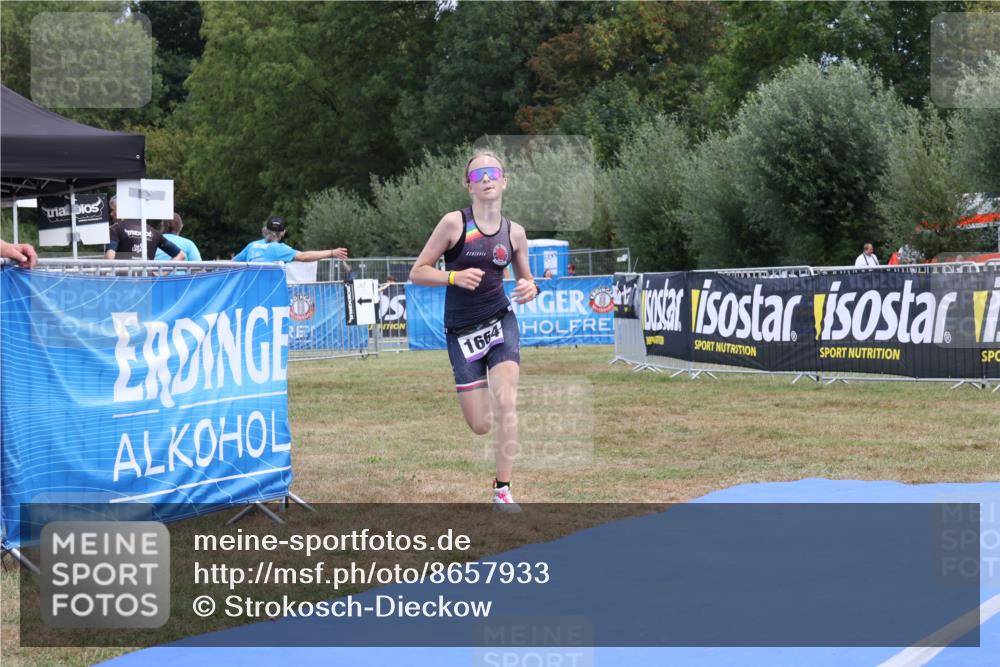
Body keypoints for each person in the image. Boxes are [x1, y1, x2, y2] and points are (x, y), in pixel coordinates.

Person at [409, 150, 540, 511]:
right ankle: (498, 479)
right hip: (461, 332)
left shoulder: (515, 233)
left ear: (504, 181)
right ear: (469, 185)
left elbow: (526, 279)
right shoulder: (454, 224)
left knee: (506, 402)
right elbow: (418, 271)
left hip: (500, 321)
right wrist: (452, 276)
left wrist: (532, 287)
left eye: (493, 172)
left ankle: (503, 491)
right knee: (482, 425)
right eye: (478, 174)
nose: (486, 178)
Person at [233, 215, 347, 263]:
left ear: (265, 230)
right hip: (268, 298)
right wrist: (331, 252)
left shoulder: (252, 246)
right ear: (283, 233)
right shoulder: (279, 249)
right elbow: (304, 256)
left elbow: (232, 263)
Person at [105, 196, 186, 261]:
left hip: (122, 280)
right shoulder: (154, 232)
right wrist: (160, 274)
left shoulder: (115, 229)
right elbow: (180, 255)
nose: (111, 214)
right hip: (146, 280)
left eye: (112, 210)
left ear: (122, 209)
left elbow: (110, 257)